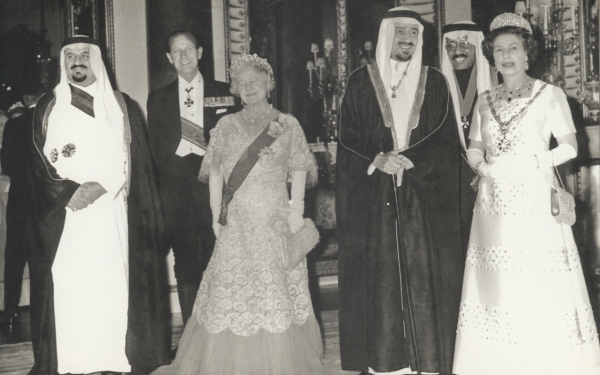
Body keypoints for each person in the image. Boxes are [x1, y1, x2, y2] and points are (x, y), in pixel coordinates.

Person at [151, 54, 325, 375]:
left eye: (255, 82)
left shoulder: (287, 125)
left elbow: (300, 168)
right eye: (241, 84)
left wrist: (296, 212)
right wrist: (217, 214)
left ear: (269, 84)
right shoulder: (225, 126)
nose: (248, 88)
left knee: (274, 292)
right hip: (238, 221)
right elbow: (215, 174)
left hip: (275, 219)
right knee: (232, 293)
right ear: (235, 90)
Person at [452, 13, 600, 375]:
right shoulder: (484, 100)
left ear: (527, 53)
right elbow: (474, 145)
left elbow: (569, 146)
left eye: (513, 48)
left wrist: (535, 162)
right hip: (493, 203)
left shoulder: (550, 95)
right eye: (499, 50)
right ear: (491, 55)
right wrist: (479, 164)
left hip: (535, 198)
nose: (506, 56)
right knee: (497, 281)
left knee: (536, 279)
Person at [29, 35, 170, 375]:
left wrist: (102, 186)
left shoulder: (121, 105)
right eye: (71, 56)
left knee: (111, 284)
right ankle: (74, 362)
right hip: (66, 217)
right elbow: (36, 160)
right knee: (72, 285)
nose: (77, 61)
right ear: (63, 63)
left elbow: (133, 160)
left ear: (97, 60)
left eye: (84, 55)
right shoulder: (48, 104)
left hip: (111, 212)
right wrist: (67, 192)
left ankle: (112, 358)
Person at [336, 7, 463, 375]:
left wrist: (410, 161)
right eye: (400, 31)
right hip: (376, 194)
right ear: (386, 35)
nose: (407, 37)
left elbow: (444, 139)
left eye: (413, 31)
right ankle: (386, 361)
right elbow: (347, 136)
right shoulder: (360, 81)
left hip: (421, 196)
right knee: (381, 278)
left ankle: (426, 358)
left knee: (424, 277)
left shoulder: (435, 80)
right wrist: (379, 157)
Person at [147, 30, 241, 325]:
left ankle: (223, 329)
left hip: (216, 191)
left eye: (189, 49)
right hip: (176, 197)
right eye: (177, 51)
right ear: (168, 58)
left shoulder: (225, 93)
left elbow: (238, 144)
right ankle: (192, 335)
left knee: (221, 258)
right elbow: (156, 152)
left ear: (200, 52)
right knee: (185, 263)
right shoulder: (157, 100)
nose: (184, 55)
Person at [441, 21, 497, 250]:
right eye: (451, 45)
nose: (458, 51)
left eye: (465, 44)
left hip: (489, 176)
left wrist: (486, 171)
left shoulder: (497, 84)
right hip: (451, 180)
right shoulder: (436, 87)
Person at [1, 87, 42, 332]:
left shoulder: (15, 126)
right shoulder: (52, 123)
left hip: (19, 199)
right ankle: (43, 310)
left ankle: (10, 312)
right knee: (43, 259)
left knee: (14, 259)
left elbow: (6, 165)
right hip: (46, 201)